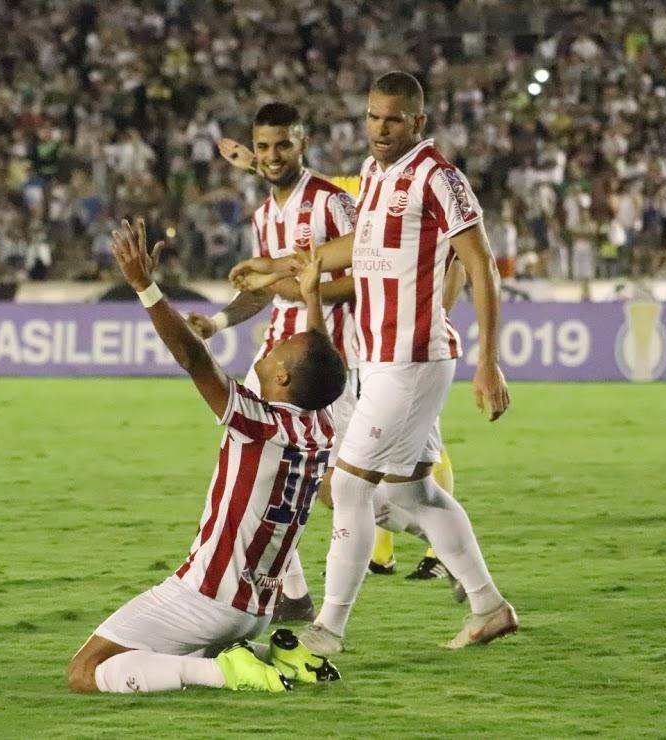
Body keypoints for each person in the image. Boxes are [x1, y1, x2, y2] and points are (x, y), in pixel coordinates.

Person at [230, 71, 517, 653]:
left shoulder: (438, 177)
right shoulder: (374, 173)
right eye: (373, 117)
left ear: (418, 122)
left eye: (393, 119)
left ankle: (327, 629)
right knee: (414, 495)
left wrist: (489, 360)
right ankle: (489, 607)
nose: (380, 129)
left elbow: (481, 263)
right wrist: (275, 266)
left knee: (349, 486)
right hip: (379, 359)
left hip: (412, 357)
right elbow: (354, 248)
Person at [67, 218, 346, 695]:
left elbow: (194, 358)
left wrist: (145, 286)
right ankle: (279, 656)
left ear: (282, 379)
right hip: (257, 608)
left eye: (278, 349)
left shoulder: (259, 424)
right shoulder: (320, 426)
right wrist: (312, 297)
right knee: (172, 651)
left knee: (86, 670)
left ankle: (224, 673)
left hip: (207, 596)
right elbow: (319, 360)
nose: (269, 347)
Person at [186, 102, 359, 623]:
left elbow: (367, 271)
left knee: (337, 488)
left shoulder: (331, 202)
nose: (273, 155)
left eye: (283, 144)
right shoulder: (265, 215)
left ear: (302, 143)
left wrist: (302, 289)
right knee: (257, 474)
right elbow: (262, 291)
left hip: (325, 358)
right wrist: (217, 323)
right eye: (263, 146)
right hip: (273, 363)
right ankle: (293, 595)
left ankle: (431, 531)